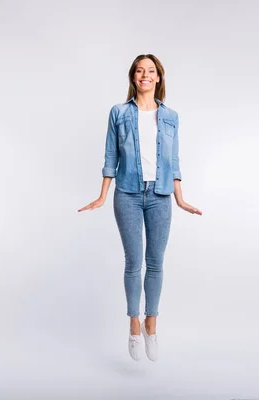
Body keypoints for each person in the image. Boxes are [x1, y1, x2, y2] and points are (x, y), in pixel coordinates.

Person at [78, 54, 202, 362]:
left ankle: (152, 323)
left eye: (150, 71)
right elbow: (111, 156)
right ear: (133, 77)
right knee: (133, 262)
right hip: (128, 194)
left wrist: (180, 198)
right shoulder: (118, 113)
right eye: (139, 70)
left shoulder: (171, 116)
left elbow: (173, 161)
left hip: (159, 195)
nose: (144, 75)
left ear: (158, 77)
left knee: (156, 263)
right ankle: (134, 325)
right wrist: (102, 195)